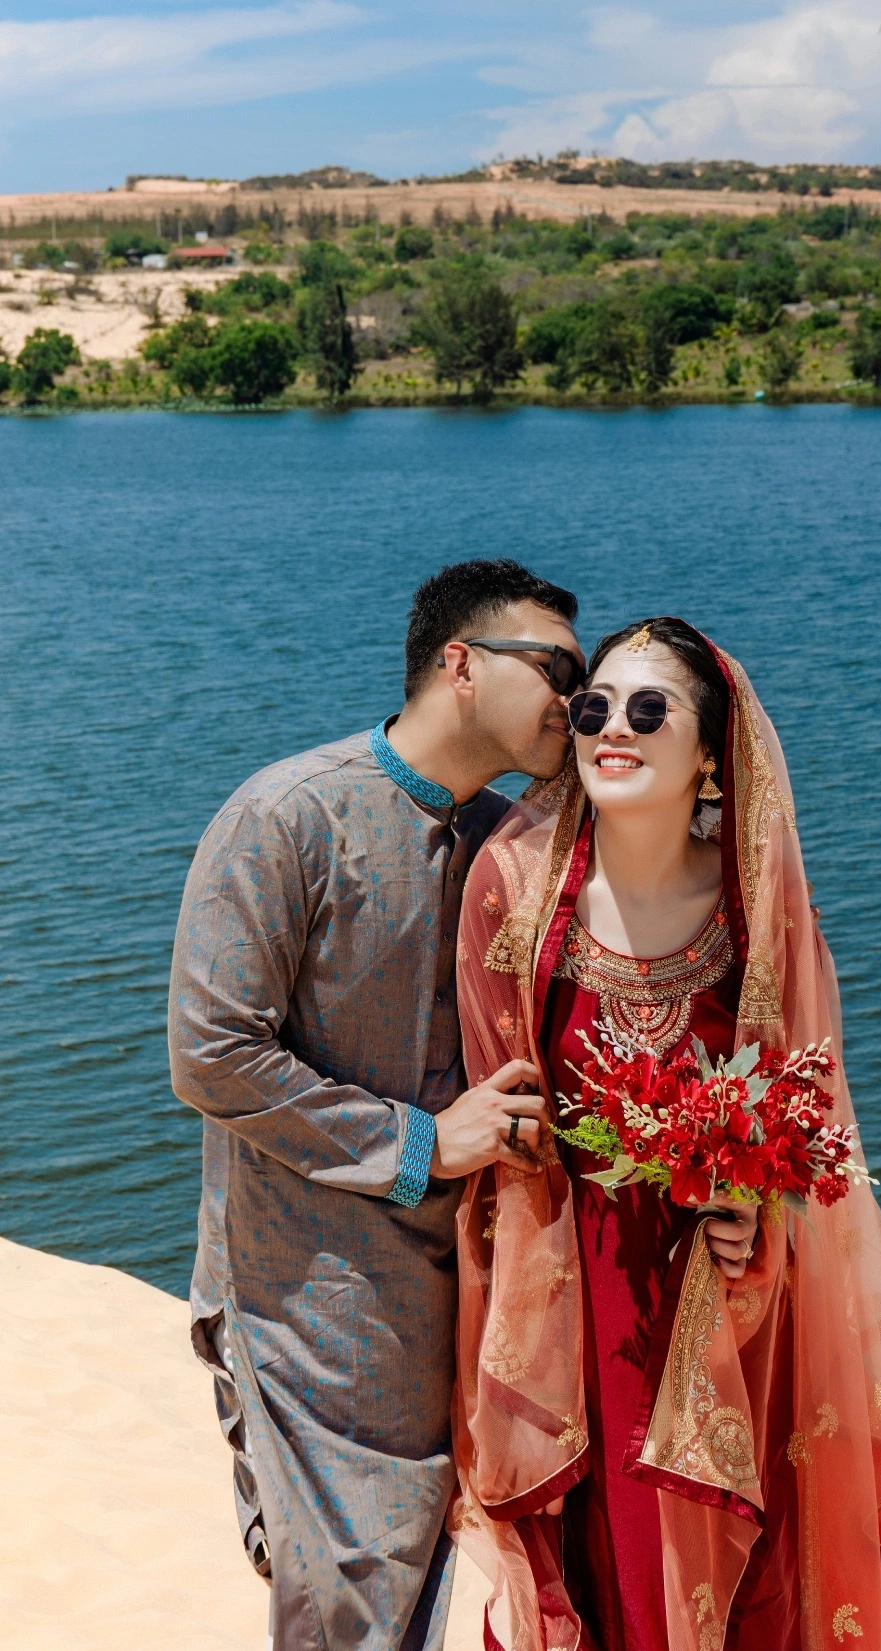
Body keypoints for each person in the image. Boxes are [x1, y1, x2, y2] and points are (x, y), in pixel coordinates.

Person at [449, 617, 881, 1651]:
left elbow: (808, 1114)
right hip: (578, 1292)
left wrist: (758, 1211)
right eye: (595, 706)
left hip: (738, 1302)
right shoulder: (513, 890)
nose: (613, 728)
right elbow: (505, 1122)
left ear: (710, 756)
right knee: (614, 1577)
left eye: (649, 709)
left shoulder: (755, 907)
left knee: (760, 1585)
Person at [167, 558, 587, 1651]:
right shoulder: (286, 818)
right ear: (460, 663)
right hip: (307, 1301)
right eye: (556, 668)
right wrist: (421, 1143)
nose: (575, 697)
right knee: (352, 1608)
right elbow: (210, 1052)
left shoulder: (513, 841)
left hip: (469, 1308)